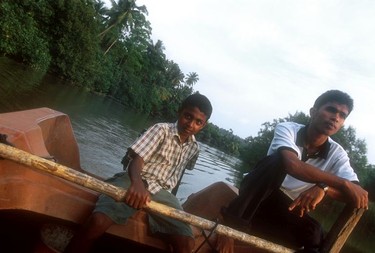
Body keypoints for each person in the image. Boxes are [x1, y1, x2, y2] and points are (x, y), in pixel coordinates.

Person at [217, 90, 368, 253]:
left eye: (342, 115)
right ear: (313, 112)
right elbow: (292, 165)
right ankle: (229, 228)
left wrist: (323, 187)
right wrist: (342, 182)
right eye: (331, 110)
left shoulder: (337, 153)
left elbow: (356, 193)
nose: (335, 118)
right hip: (260, 195)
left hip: (288, 207)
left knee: (315, 234)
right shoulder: (288, 129)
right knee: (277, 161)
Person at [64, 93, 213, 253]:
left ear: (203, 125)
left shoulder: (194, 148)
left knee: (186, 244)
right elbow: (137, 159)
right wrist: (137, 184)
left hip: (163, 193)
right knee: (98, 221)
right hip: (136, 179)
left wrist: (173, 201)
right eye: (188, 116)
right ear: (180, 112)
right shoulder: (161, 130)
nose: (191, 124)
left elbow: (179, 171)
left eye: (198, 122)